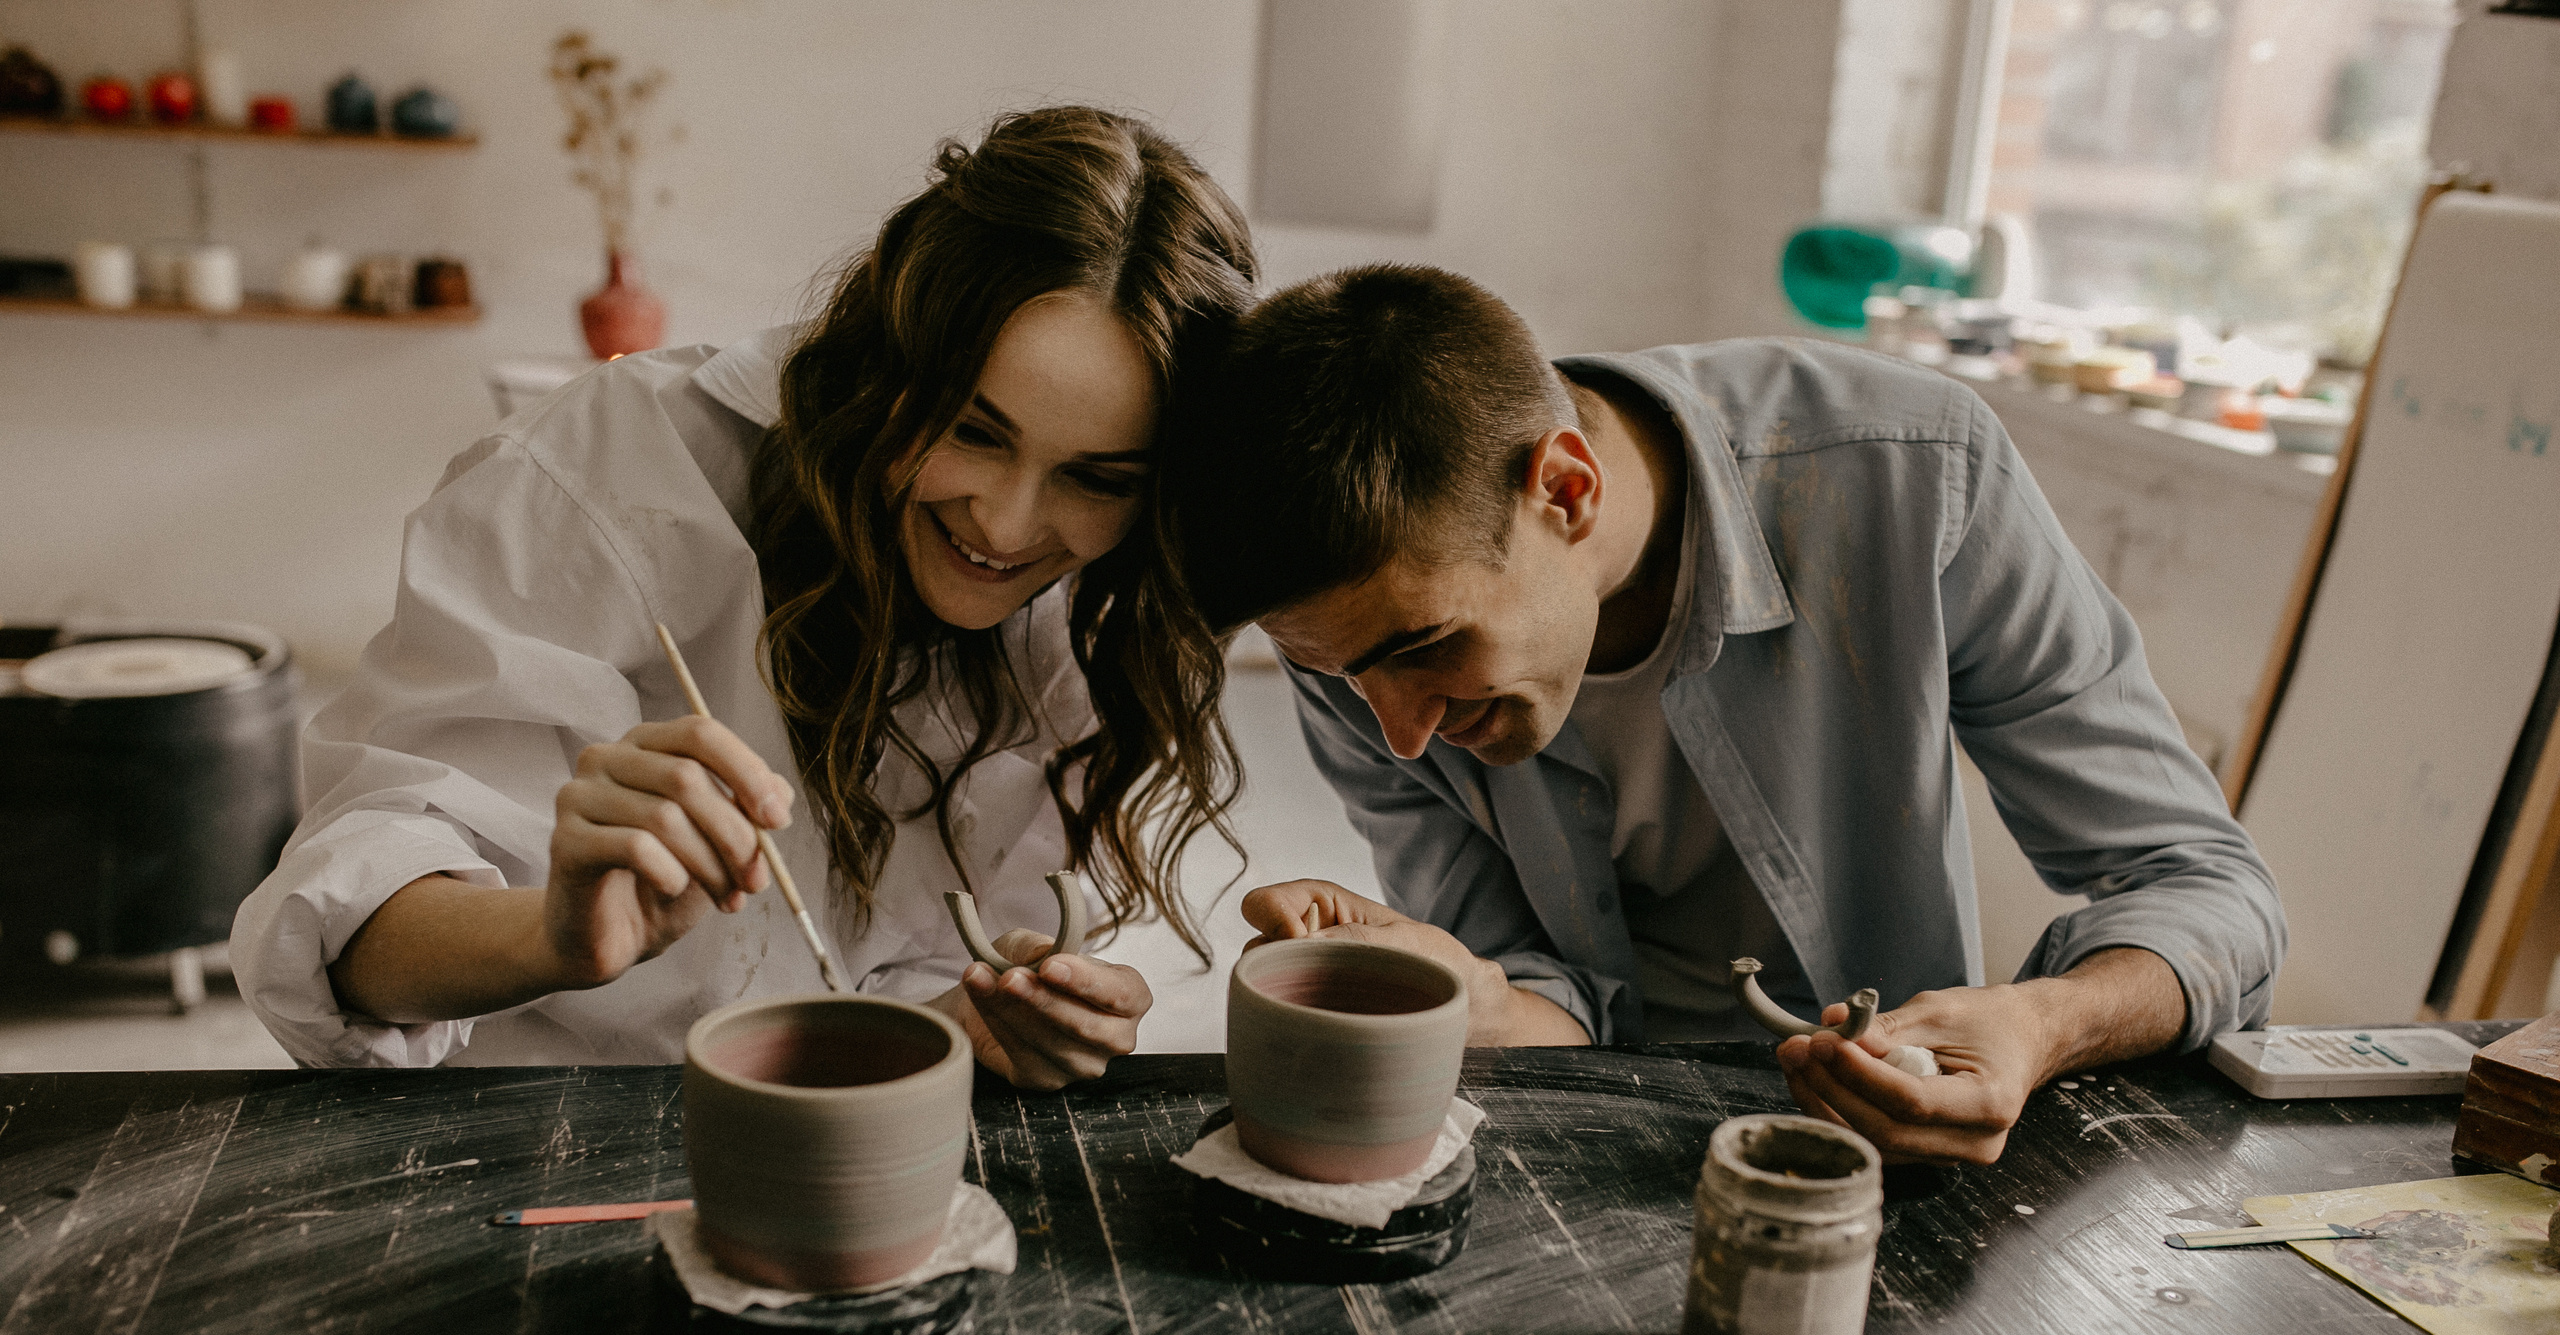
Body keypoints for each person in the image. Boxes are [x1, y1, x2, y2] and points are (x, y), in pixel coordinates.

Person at [233, 107, 1256, 1087]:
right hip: (545, 1139)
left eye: (1097, 479)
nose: (1005, 526)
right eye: (973, 432)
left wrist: (986, 1019)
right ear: (886, 363)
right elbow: (345, 933)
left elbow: (926, 963)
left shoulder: (1102, 601)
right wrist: (554, 937)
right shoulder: (615, 467)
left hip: (852, 1137)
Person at [1173, 265, 2284, 1164]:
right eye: (1339, 676)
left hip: (1888, 1167)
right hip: (1586, 1152)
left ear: (1565, 490)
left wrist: (2039, 1027)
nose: (1400, 732)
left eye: (1426, 649)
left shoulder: (1911, 478)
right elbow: (1557, 1006)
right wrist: (1473, 1000)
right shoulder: (1362, 665)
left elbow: (2207, 889)